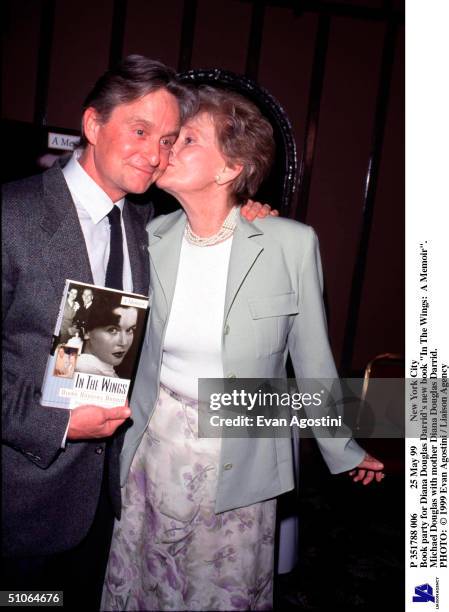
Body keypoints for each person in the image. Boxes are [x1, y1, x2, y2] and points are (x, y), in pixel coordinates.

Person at [1, 55, 271, 608]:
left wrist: (246, 221)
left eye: (169, 140)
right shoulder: (12, 215)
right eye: (140, 131)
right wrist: (56, 425)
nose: (154, 154)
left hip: (117, 498)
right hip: (23, 496)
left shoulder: (148, 224)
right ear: (94, 125)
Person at [102, 86, 385, 611]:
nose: (167, 149)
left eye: (186, 139)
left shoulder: (289, 244)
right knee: (146, 588)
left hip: (241, 458)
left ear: (229, 168)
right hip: (154, 452)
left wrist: (341, 449)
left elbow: (314, 362)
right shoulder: (147, 236)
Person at [75, 294, 138, 378]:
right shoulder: (85, 371)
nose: (124, 342)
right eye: (113, 330)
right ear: (86, 332)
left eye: (129, 330)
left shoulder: (106, 372)